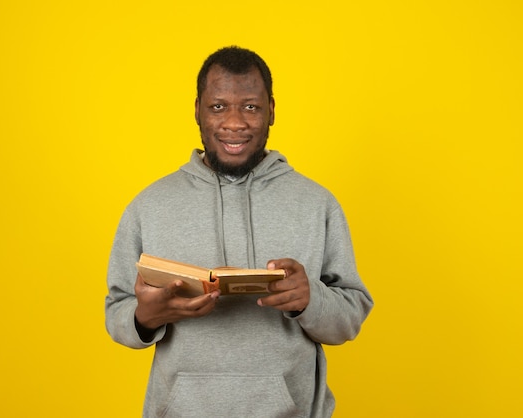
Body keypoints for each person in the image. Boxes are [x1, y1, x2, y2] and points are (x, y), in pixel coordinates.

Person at [105, 46, 373, 418]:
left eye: (250, 106)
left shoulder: (317, 204)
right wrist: (145, 317)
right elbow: (117, 312)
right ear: (197, 109)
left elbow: (350, 316)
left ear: (272, 111)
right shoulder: (149, 206)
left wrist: (310, 299)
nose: (235, 123)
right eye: (218, 107)